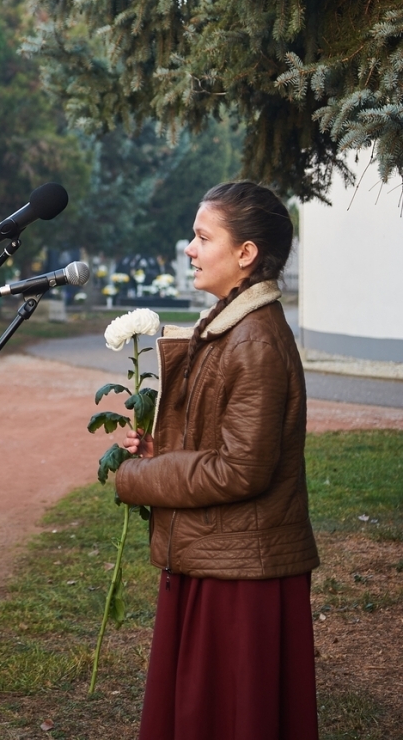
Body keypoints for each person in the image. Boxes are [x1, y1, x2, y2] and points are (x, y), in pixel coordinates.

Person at [116, 181, 319, 740]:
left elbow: (241, 470)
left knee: (229, 716)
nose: (190, 248)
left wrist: (141, 477)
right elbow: (224, 443)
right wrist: (162, 452)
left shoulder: (254, 340)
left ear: (246, 253)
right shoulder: (233, 326)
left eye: (203, 238)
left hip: (242, 575)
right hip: (220, 554)